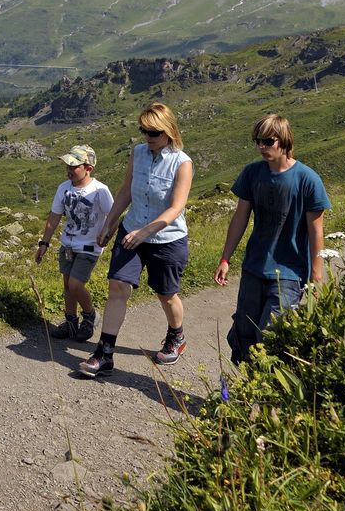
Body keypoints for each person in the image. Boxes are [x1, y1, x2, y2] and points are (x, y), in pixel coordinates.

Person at [73, 103, 194, 378]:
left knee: (166, 294)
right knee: (117, 286)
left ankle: (176, 335)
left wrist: (145, 232)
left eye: (153, 132)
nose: (147, 137)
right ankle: (104, 354)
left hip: (167, 238)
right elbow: (126, 191)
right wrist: (109, 223)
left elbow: (176, 207)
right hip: (132, 231)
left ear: (168, 131)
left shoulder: (182, 162)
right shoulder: (138, 153)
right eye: (143, 131)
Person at [215, 113, 331, 364]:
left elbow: (316, 231)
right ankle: (244, 392)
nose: (261, 147)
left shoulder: (308, 179)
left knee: (270, 336)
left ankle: (268, 394)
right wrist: (226, 258)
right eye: (257, 141)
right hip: (254, 267)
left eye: (268, 141)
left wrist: (316, 276)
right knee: (244, 332)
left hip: (290, 272)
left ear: (285, 140)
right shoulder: (252, 173)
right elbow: (240, 218)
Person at [34, 144, 113, 342]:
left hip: (89, 246)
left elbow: (113, 215)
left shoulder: (100, 190)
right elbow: (54, 217)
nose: (69, 170)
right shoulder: (63, 188)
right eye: (68, 166)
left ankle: (90, 316)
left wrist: (106, 234)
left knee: (76, 285)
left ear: (88, 168)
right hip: (68, 244)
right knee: (67, 286)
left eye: (74, 166)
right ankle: (71, 323)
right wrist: (44, 242)